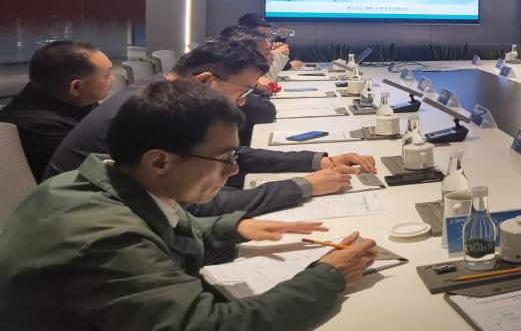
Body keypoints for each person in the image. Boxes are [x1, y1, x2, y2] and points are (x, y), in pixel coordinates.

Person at [0, 80, 379, 331]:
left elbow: (161, 230)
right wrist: (328, 277)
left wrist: (230, 229)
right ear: (160, 161)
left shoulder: (100, 179)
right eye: (225, 160)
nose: (232, 171)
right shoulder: (104, 238)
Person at [46, 37, 374, 218]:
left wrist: (317, 161)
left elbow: (228, 155)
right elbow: (197, 205)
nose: (243, 102)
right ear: (205, 80)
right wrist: (304, 186)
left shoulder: (166, 94)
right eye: (241, 91)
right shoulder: (154, 110)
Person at [0, 41, 114, 177]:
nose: (113, 78)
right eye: (107, 75)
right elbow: (94, 175)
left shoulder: (50, 97)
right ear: (76, 87)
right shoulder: (44, 128)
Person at [238, 12, 304, 74]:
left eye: (270, 36)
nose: (269, 41)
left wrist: (277, 46)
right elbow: (263, 75)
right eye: (264, 35)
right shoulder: (239, 51)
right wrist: (278, 55)